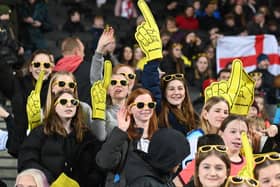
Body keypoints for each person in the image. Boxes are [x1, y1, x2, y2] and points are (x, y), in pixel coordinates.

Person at [18, 90, 104, 186]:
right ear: (54, 106)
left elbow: (97, 168)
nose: (69, 105)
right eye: (63, 102)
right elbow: (27, 160)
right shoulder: (40, 132)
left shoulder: (87, 136)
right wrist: (50, 181)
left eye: (73, 102)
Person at [96, 88, 158, 186]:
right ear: (129, 109)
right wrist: (121, 131)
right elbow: (105, 162)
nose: (146, 109)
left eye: (150, 105)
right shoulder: (121, 136)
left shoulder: (159, 137)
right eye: (140, 105)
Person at [0, 49, 54, 157]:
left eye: (46, 65)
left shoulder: (56, 86)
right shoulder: (18, 84)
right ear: (30, 67)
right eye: (37, 64)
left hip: (49, 149)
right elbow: (2, 70)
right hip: (23, 147)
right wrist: (8, 117)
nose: (41, 68)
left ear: (52, 69)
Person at [142, 58, 199, 136]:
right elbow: (151, 87)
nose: (176, 92)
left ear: (185, 91)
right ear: (164, 93)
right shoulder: (160, 110)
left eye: (180, 88)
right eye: (171, 89)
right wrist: (153, 59)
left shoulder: (194, 116)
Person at [54, 37, 92, 105]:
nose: (84, 55)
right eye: (83, 51)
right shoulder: (90, 69)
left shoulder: (53, 71)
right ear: (77, 51)